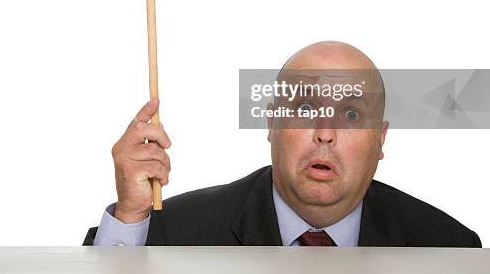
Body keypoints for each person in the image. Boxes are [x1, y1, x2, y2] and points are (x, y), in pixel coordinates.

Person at [83, 41, 482, 247]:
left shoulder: (448, 247)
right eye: (306, 107)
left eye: (351, 114)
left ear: (380, 140)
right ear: (272, 122)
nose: (325, 132)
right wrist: (131, 219)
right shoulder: (174, 232)